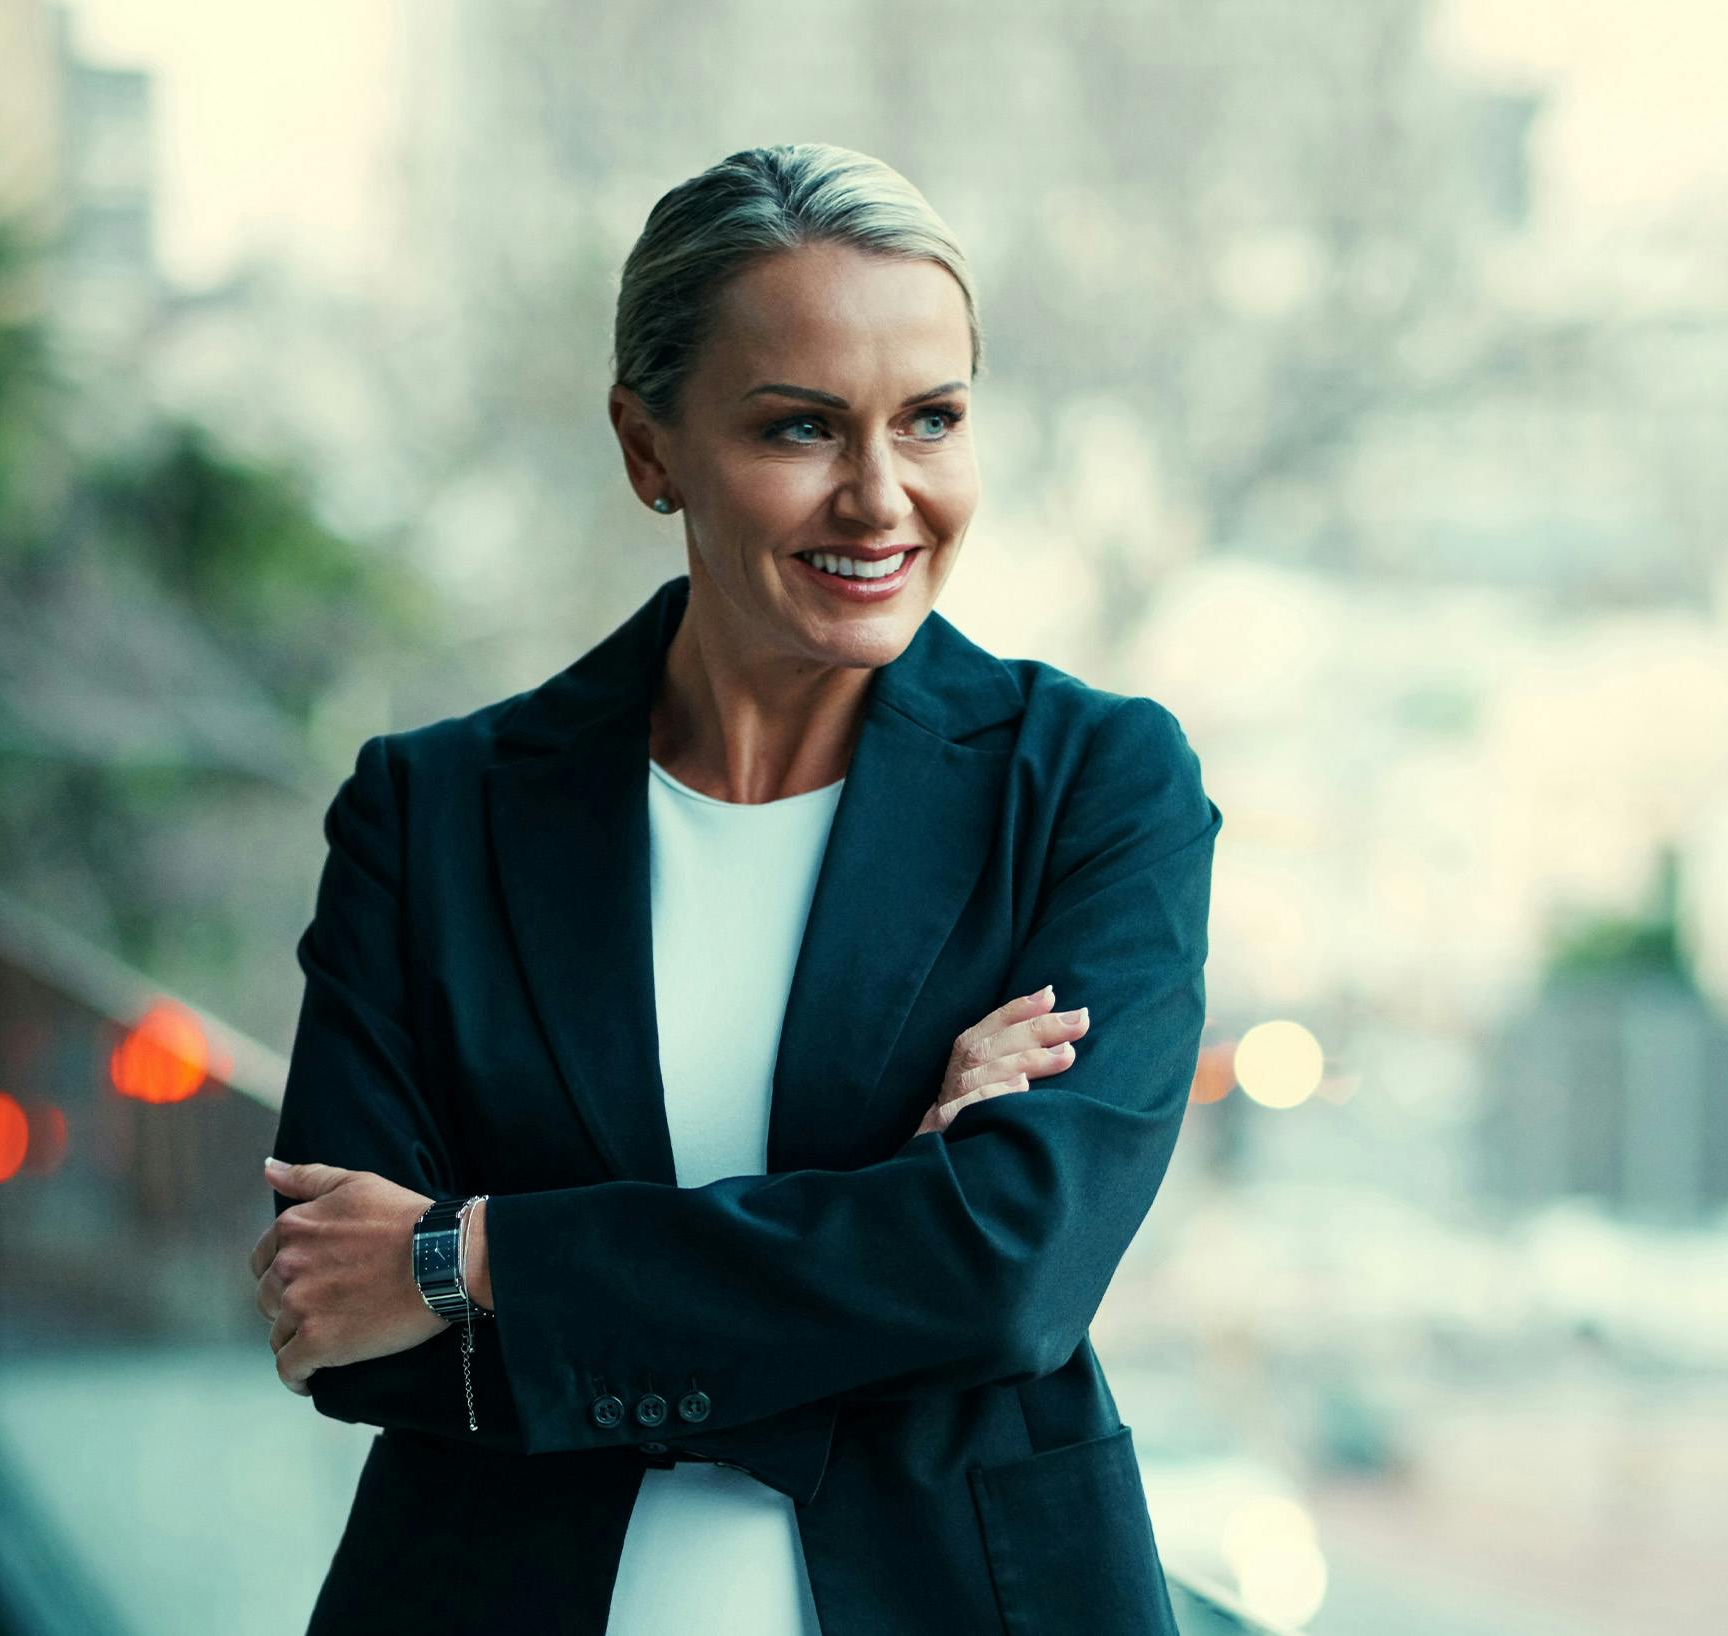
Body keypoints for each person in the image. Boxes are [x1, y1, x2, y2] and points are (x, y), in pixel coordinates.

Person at [247, 142, 1220, 1635]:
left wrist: (479, 1253)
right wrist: (895, 1222)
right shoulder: (433, 813)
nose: (881, 499)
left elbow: (1013, 1276)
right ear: (651, 450)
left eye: (934, 420)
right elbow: (347, 1329)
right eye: (801, 427)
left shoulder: (1093, 784)